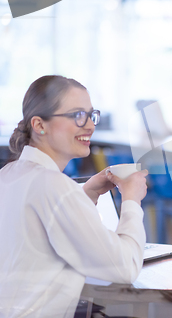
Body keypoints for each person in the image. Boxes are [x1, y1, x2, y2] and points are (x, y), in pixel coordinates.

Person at [0, 76, 148, 317]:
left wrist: (85, 193)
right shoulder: (55, 187)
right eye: (78, 115)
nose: (90, 125)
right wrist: (132, 200)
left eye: (91, 115)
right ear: (40, 125)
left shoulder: (9, 175)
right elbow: (126, 267)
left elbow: (39, 238)